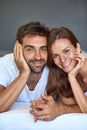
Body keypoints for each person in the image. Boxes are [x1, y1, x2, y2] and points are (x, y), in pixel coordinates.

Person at [30, 27, 87, 121]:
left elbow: (85, 108)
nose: (63, 60)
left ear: (77, 48)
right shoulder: (59, 75)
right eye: (55, 56)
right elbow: (76, 106)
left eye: (66, 51)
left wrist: (72, 78)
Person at [0, 21, 49, 112]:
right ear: (18, 48)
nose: (38, 57)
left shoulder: (56, 66)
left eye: (43, 49)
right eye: (30, 49)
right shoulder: (4, 64)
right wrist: (24, 73)